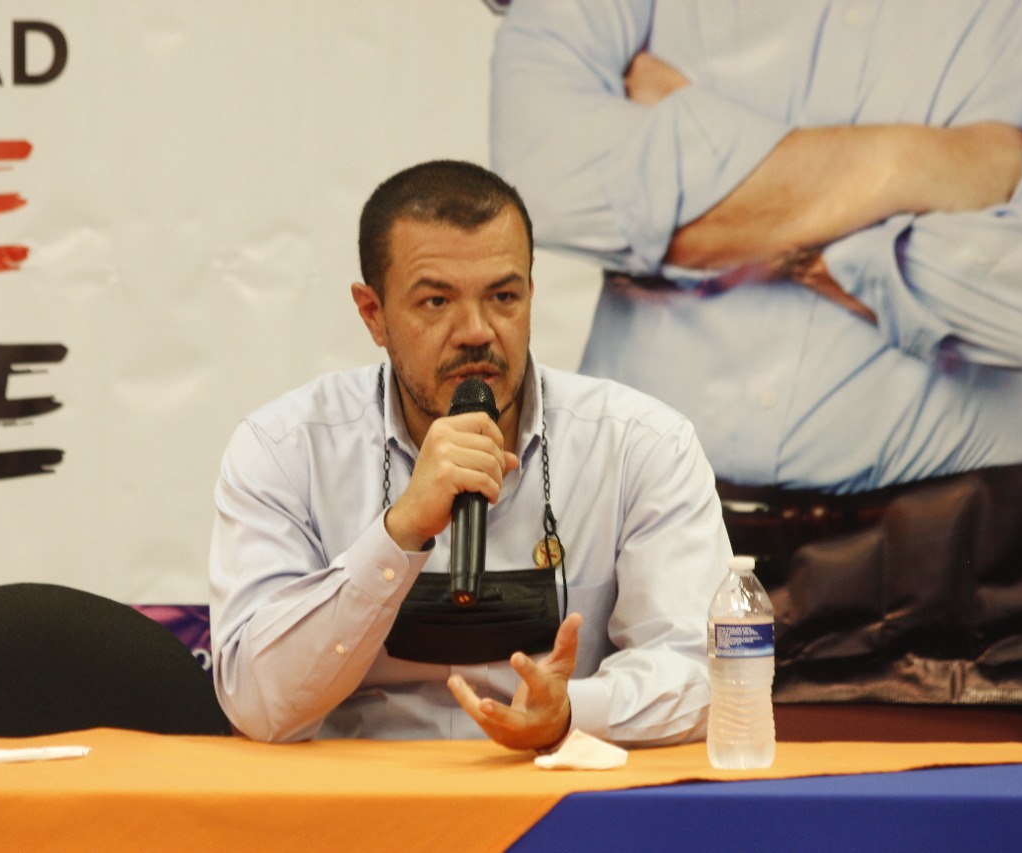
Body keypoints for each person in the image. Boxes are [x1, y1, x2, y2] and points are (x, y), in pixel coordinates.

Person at [490, 0, 1022, 704]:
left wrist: (716, 168)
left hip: (957, 607)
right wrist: (925, 166)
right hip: (646, 566)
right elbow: (547, 184)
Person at [208, 160, 731, 749]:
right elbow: (259, 703)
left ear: (531, 294)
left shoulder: (640, 445)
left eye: (503, 296)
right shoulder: (286, 448)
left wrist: (570, 713)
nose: (476, 331)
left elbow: (702, 671)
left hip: (553, 790)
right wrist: (398, 533)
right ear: (374, 314)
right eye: (436, 301)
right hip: (362, 795)